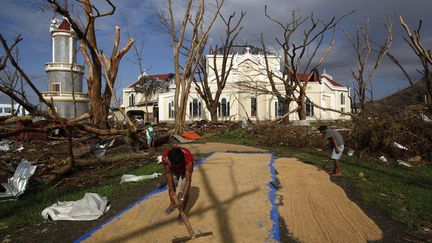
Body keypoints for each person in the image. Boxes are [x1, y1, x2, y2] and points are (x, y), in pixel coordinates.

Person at [162, 146, 194, 218]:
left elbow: (187, 180)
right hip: (172, 170)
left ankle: (182, 211)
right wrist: (171, 189)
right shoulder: (165, 158)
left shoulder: (188, 159)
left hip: (184, 170)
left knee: (185, 190)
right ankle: (172, 204)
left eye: (178, 165)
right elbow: (168, 174)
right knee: (171, 188)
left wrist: (182, 198)